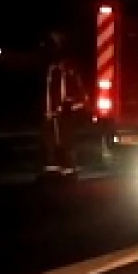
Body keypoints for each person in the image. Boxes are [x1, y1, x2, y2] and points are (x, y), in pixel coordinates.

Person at [42, 31, 88, 176]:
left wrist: (76, 102)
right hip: (59, 107)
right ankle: (58, 163)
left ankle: (67, 164)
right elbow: (50, 88)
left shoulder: (69, 66)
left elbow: (79, 87)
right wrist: (50, 109)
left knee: (65, 136)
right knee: (55, 135)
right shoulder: (54, 66)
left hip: (67, 107)